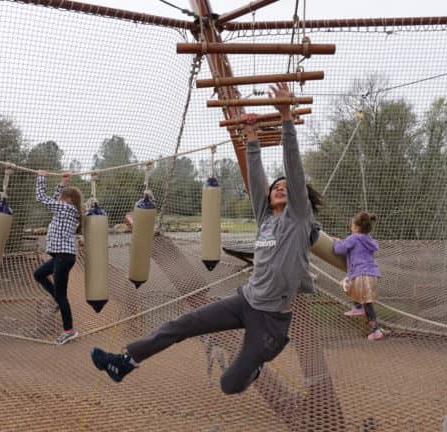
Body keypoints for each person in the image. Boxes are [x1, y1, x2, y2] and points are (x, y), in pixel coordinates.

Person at [90, 82, 322, 394]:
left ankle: (253, 366)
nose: (279, 187)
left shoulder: (298, 220)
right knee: (182, 324)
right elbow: (256, 180)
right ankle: (126, 362)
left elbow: (293, 169)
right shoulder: (266, 220)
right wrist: (251, 137)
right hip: (245, 301)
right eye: (275, 185)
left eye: (286, 186)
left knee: (230, 384)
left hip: (271, 321)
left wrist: (285, 117)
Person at [34, 170, 83, 346]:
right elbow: (54, 199)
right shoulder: (68, 208)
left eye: (61, 196)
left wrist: (41, 177)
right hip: (61, 256)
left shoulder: (65, 208)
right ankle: (57, 299)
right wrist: (62, 182)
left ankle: (69, 330)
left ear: (67, 200)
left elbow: (41, 197)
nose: (59, 199)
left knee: (62, 295)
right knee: (39, 274)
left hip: (63, 257)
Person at [333, 212, 384, 341]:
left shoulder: (354, 237)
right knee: (368, 304)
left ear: (356, 227)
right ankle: (375, 330)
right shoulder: (368, 240)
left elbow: (339, 250)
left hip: (360, 273)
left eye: (352, 225)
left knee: (345, 284)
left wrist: (337, 242)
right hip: (372, 275)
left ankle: (357, 307)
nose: (351, 227)